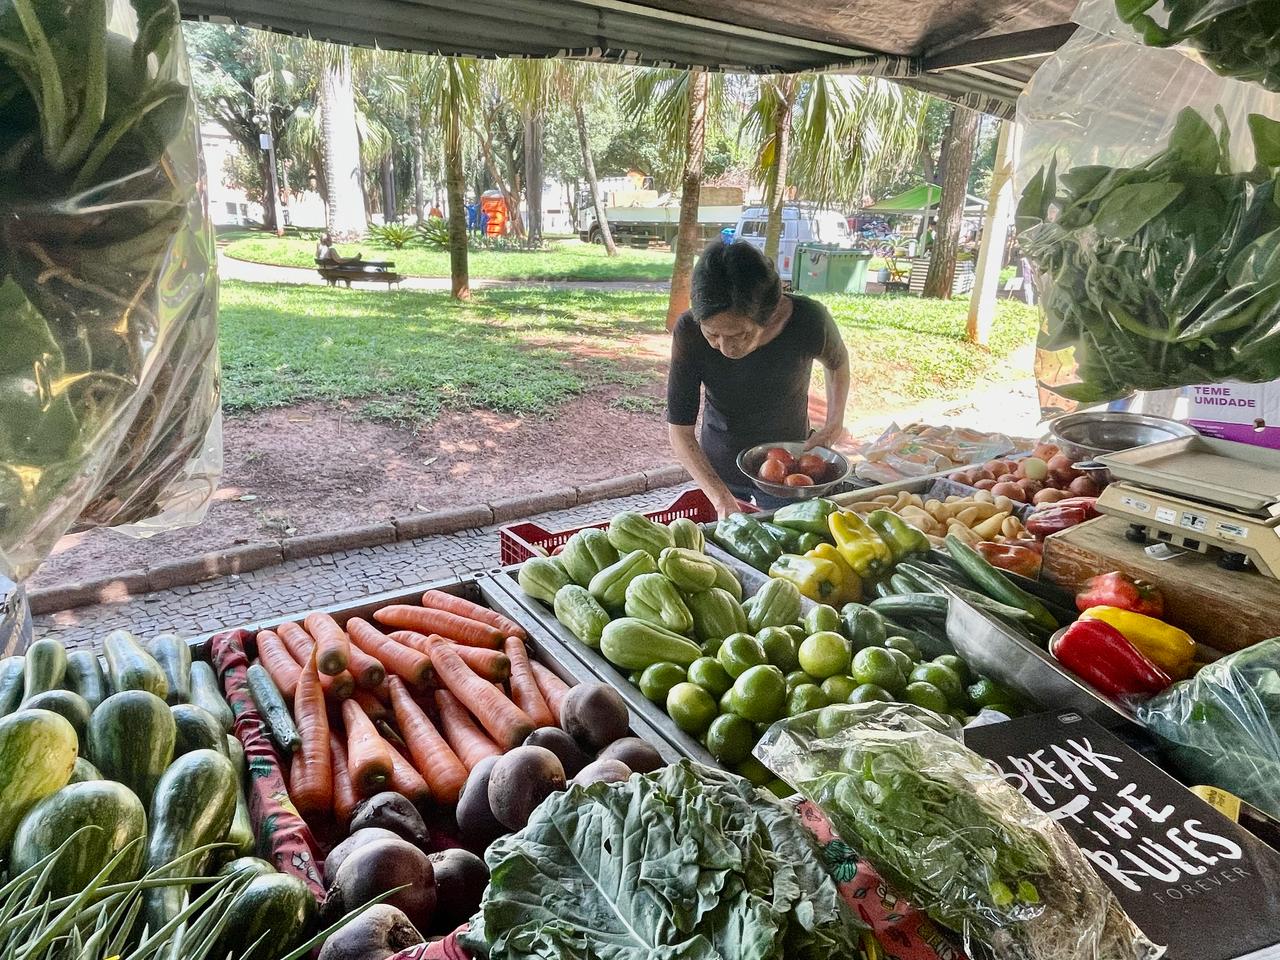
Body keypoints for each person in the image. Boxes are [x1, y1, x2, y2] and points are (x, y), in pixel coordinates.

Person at [666, 240, 851, 517]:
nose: (727, 349)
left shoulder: (809, 321)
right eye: (713, 335)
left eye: (740, 335)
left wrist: (834, 423)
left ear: (772, 314)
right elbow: (680, 432)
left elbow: (838, 364)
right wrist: (720, 499)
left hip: (789, 470)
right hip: (719, 466)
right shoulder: (689, 332)